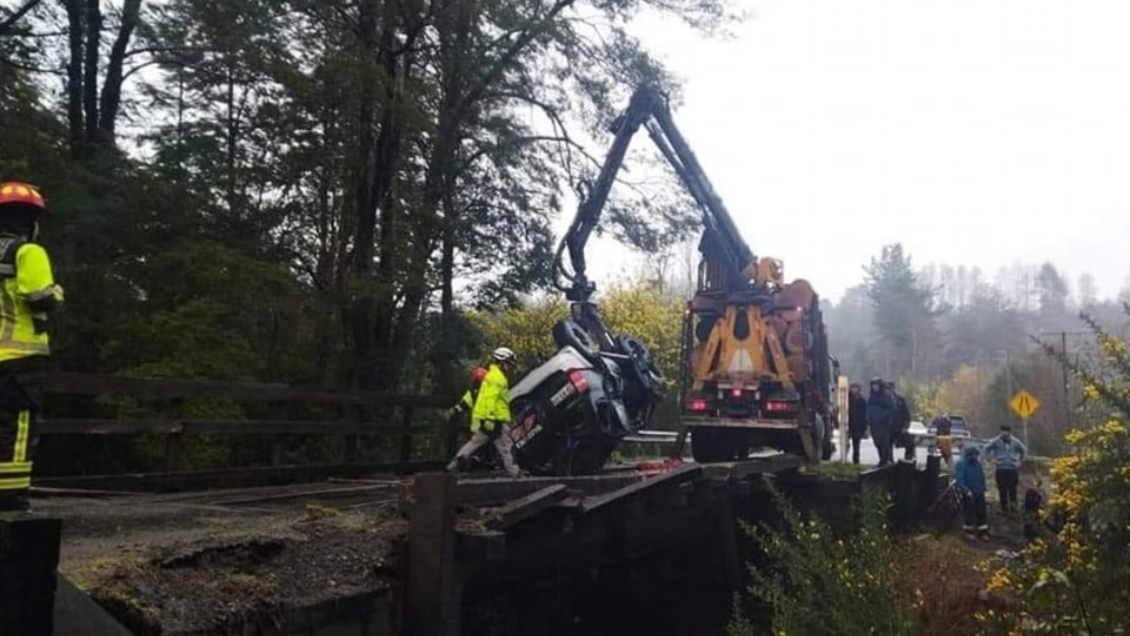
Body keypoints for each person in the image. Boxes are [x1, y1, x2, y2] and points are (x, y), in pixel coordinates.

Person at [0, 181, 64, 512]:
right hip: (19, 359)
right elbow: (39, 298)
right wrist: (57, 293)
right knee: (18, 429)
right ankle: (10, 499)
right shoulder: (28, 252)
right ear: (30, 222)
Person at [445, 347, 521, 478]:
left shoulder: (491, 375)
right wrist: (490, 418)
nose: (510, 367)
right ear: (501, 362)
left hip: (487, 418)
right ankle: (514, 472)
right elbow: (491, 398)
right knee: (506, 446)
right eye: (508, 363)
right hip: (495, 418)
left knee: (476, 442)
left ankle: (454, 465)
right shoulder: (498, 377)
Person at [983, 423, 1027, 514]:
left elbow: (1023, 450)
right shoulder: (995, 441)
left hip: (1012, 469)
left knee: (1012, 489)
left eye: (1007, 432)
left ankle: (1014, 508)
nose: (1005, 434)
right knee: (1002, 489)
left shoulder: (1015, 442)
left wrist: (1019, 461)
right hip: (1000, 469)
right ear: (1000, 432)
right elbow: (986, 449)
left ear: (1010, 432)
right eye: (1003, 432)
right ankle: (1004, 509)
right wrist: (991, 459)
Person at [954, 444, 990, 540]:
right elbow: (960, 479)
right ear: (969, 455)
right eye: (974, 455)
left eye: (977, 455)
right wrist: (966, 490)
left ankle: (982, 532)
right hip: (969, 492)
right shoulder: (961, 464)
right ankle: (968, 531)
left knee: (982, 512)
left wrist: (983, 487)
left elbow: (981, 476)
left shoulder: (977, 463)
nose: (976, 457)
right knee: (969, 512)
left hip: (979, 491)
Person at [865, 376, 894, 466]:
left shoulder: (886, 395)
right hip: (874, 424)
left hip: (883, 423)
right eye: (873, 385)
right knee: (877, 442)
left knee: (884, 442)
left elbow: (890, 408)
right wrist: (868, 418)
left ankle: (885, 460)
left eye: (876, 385)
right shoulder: (872, 396)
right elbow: (869, 408)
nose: (874, 387)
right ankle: (881, 459)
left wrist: (882, 417)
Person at [846, 382, 868, 464]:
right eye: (852, 388)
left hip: (858, 425)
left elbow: (865, 414)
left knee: (856, 444)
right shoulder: (846, 399)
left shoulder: (862, 400)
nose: (854, 390)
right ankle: (844, 457)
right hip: (848, 424)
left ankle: (856, 459)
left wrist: (864, 426)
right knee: (845, 442)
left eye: (856, 388)